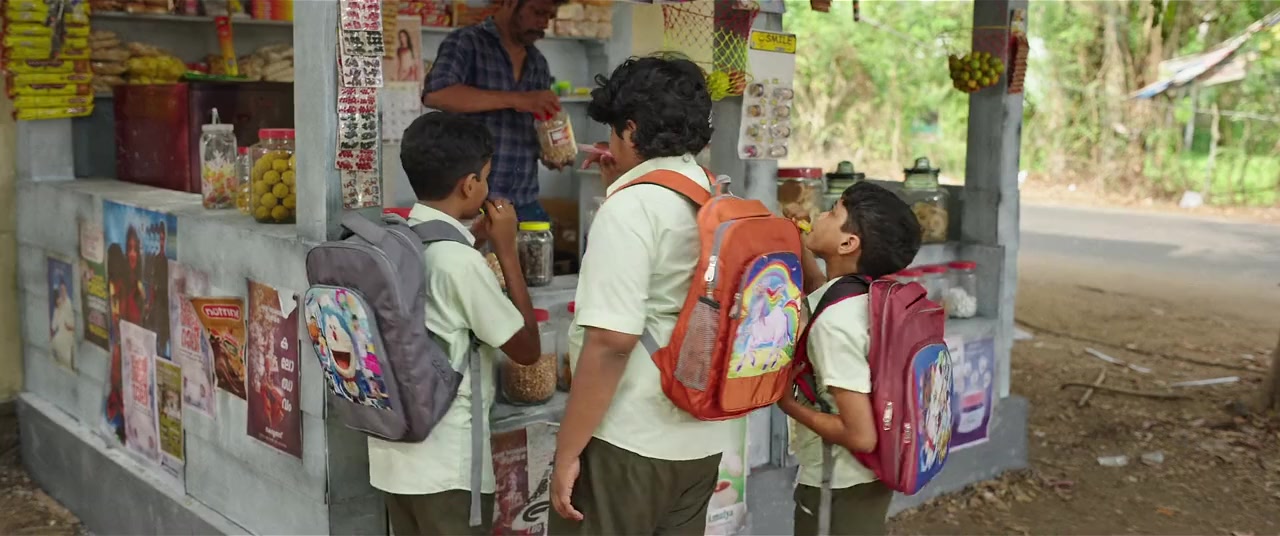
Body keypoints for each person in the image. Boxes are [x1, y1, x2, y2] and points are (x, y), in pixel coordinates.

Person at [548, 55, 724, 535]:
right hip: (700, 441)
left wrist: (567, 451)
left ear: (630, 129)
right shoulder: (712, 195)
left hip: (630, 441)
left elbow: (612, 343)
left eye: (611, 131)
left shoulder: (630, 211)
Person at [367, 111, 543, 535]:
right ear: (470, 185)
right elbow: (526, 349)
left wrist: (477, 238)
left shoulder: (394, 240)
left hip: (392, 457)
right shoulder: (460, 263)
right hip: (447, 467)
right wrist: (506, 250)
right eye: (485, 178)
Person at [778, 181, 922, 536]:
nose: (819, 216)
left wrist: (787, 403)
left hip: (837, 486)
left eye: (832, 212)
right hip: (868, 477)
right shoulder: (866, 295)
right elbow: (820, 291)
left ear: (848, 243)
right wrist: (798, 238)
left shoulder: (834, 326)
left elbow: (860, 436)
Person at [422, 0, 569, 223]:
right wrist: (517, 99)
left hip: (524, 198)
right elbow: (436, 94)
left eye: (549, 16)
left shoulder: (538, 62)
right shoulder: (466, 42)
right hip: (470, 202)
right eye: (537, 12)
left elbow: (535, 124)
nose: (544, 23)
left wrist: (551, 151)